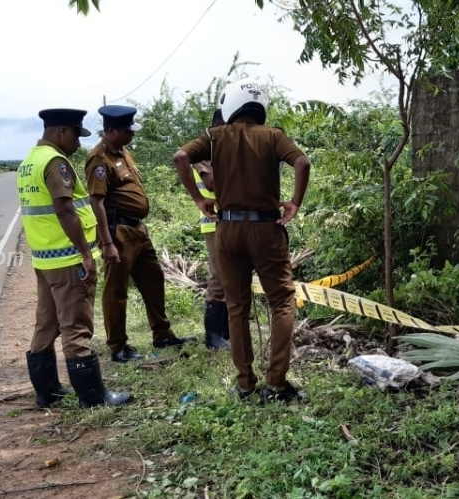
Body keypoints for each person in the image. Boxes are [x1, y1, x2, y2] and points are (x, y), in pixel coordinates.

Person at [173, 78, 312, 403]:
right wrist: (294, 203)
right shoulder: (273, 136)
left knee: (237, 307)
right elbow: (302, 162)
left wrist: (199, 200)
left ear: (230, 105)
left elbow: (181, 157)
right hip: (266, 229)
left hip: (228, 229)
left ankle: (245, 383)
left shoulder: (214, 136)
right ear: (260, 107)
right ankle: (276, 383)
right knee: (281, 303)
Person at [18, 108, 132, 408]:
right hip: (68, 260)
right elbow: (66, 211)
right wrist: (85, 253)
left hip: (45, 261)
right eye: (75, 136)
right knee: (76, 327)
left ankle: (47, 390)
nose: (78, 144)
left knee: (46, 324)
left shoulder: (29, 162)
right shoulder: (56, 163)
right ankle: (93, 397)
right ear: (61, 132)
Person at [84, 105, 195, 363]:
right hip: (118, 232)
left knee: (153, 280)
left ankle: (162, 333)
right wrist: (108, 243)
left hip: (137, 230)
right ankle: (118, 347)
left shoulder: (123, 152)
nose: (131, 135)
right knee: (117, 292)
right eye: (126, 131)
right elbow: (97, 202)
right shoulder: (99, 159)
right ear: (111, 131)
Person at [191, 108, 230, 350]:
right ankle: (213, 338)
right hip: (214, 221)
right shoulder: (204, 150)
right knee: (219, 277)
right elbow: (212, 183)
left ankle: (225, 332)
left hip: (230, 221)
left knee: (230, 278)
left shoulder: (224, 150)